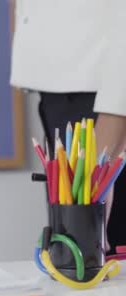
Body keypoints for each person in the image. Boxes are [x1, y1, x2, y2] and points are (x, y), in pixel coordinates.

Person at [10, 0, 126, 252]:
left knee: (98, 260)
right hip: (63, 96)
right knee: (76, 261)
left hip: (104, 103)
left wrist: (117, 114)